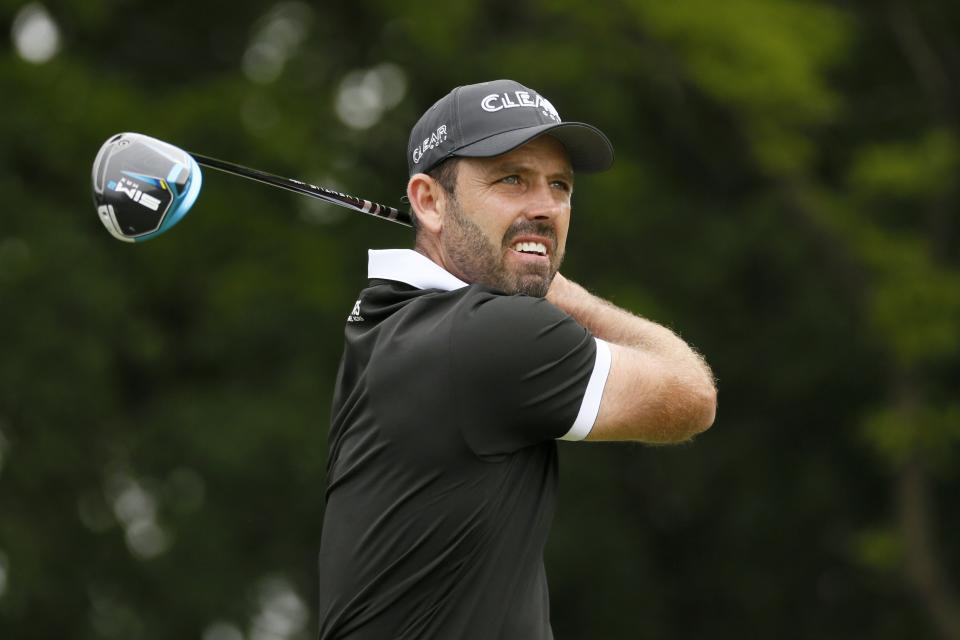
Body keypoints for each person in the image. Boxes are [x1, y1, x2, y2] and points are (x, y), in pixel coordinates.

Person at [316, 79, 716, 639]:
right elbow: (691, 395)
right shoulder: (491, 334)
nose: (546, 208)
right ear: (429, 201)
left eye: (560, 186)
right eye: (512, 179)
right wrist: (565, 292)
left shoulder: (386, 320)